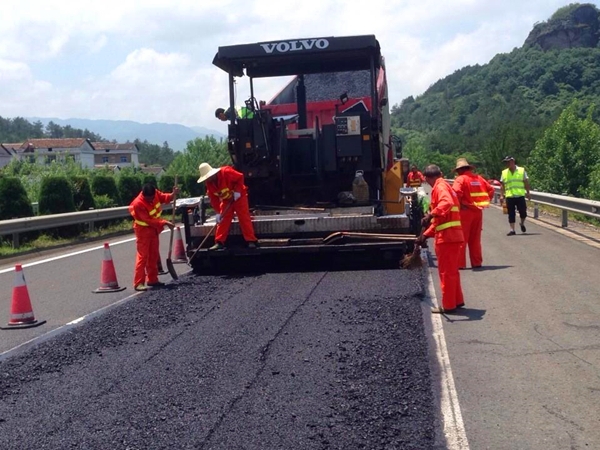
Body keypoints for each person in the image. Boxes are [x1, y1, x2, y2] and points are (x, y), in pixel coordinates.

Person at [416, 164, 465, 314]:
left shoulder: (440, 187)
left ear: (427, 178)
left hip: (447, 238)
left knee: (446, 273)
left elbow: (446, 204)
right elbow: (440, 221)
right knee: (452, 272)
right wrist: (425, 235)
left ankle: (448, 305)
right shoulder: (445, 186)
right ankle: (456, 300)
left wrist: (430, 214)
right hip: (452, 236)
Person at [128, 183, 179, 291]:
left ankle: (152, 279)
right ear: (143, 195)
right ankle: (138, 283)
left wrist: (172, 194)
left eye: (152, 198)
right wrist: (164, 222)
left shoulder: (155, 193)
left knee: (153, 256)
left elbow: (164, 198)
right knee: (143, 257)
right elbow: (148, 220)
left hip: (154, 231)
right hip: (143, 232)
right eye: (149, 199)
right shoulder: (138, 204)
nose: (151, 200)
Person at [197, 162, 258, 250]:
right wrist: (218, 212)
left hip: (239, 196)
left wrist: (237, 191)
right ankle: (219, 242)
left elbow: (240, 177)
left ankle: (251, 240)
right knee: (223, 219)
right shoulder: (209, 184)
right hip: (226, 200)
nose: (208, 179)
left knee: (244, 217)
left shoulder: (226, 172)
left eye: (208, 177)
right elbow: (213, 199)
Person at [451, 158, 494, 269]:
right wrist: (484, 202)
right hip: (478, 212)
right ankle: (476, 263)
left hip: (465, 212)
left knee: (462, 238)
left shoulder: (461, 179)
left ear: (459, 170)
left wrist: (460, 205)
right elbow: (491, 190)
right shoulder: (479, 178)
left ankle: (460, 264)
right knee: (475, 239)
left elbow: (455, 192)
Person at [499, 156, 531, 236]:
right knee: (511, 213)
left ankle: (522, 223)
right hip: (509, 196)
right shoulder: (504, 172)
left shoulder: (521, 170)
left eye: (508, 162)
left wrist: (528, 192)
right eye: (505, 162)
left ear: (513, 161)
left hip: (520, 195)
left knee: (523, 212)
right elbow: (502, 185)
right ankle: (512, 230)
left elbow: (526, 182)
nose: (507, 164)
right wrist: (502, 195)